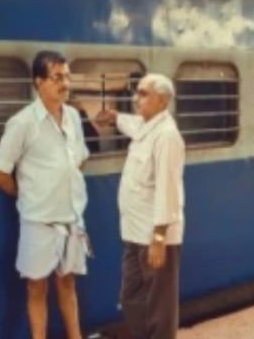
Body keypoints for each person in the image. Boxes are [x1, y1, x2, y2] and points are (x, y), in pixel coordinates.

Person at [0, 50, 91, 339]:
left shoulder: (73, 117)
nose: (65, 84)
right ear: (39, 82)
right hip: (39, 223)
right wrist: (30, 195)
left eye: (67, 76)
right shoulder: (23, 123)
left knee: (68, 283)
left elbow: (80, 158)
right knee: (37, 288)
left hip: (71, 219)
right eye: (57, 77)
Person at [96, 73, 185, 339]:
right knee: (131, 296)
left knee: (159, 305)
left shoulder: (167, 136)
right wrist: (115, 117)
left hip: (154, 235)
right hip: (134, 232)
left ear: (162, 100)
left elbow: (168, 190)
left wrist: (159, 238)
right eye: (137, 93)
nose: (136, 99)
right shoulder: (147, 127)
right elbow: (133, 124)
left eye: (143, 94)